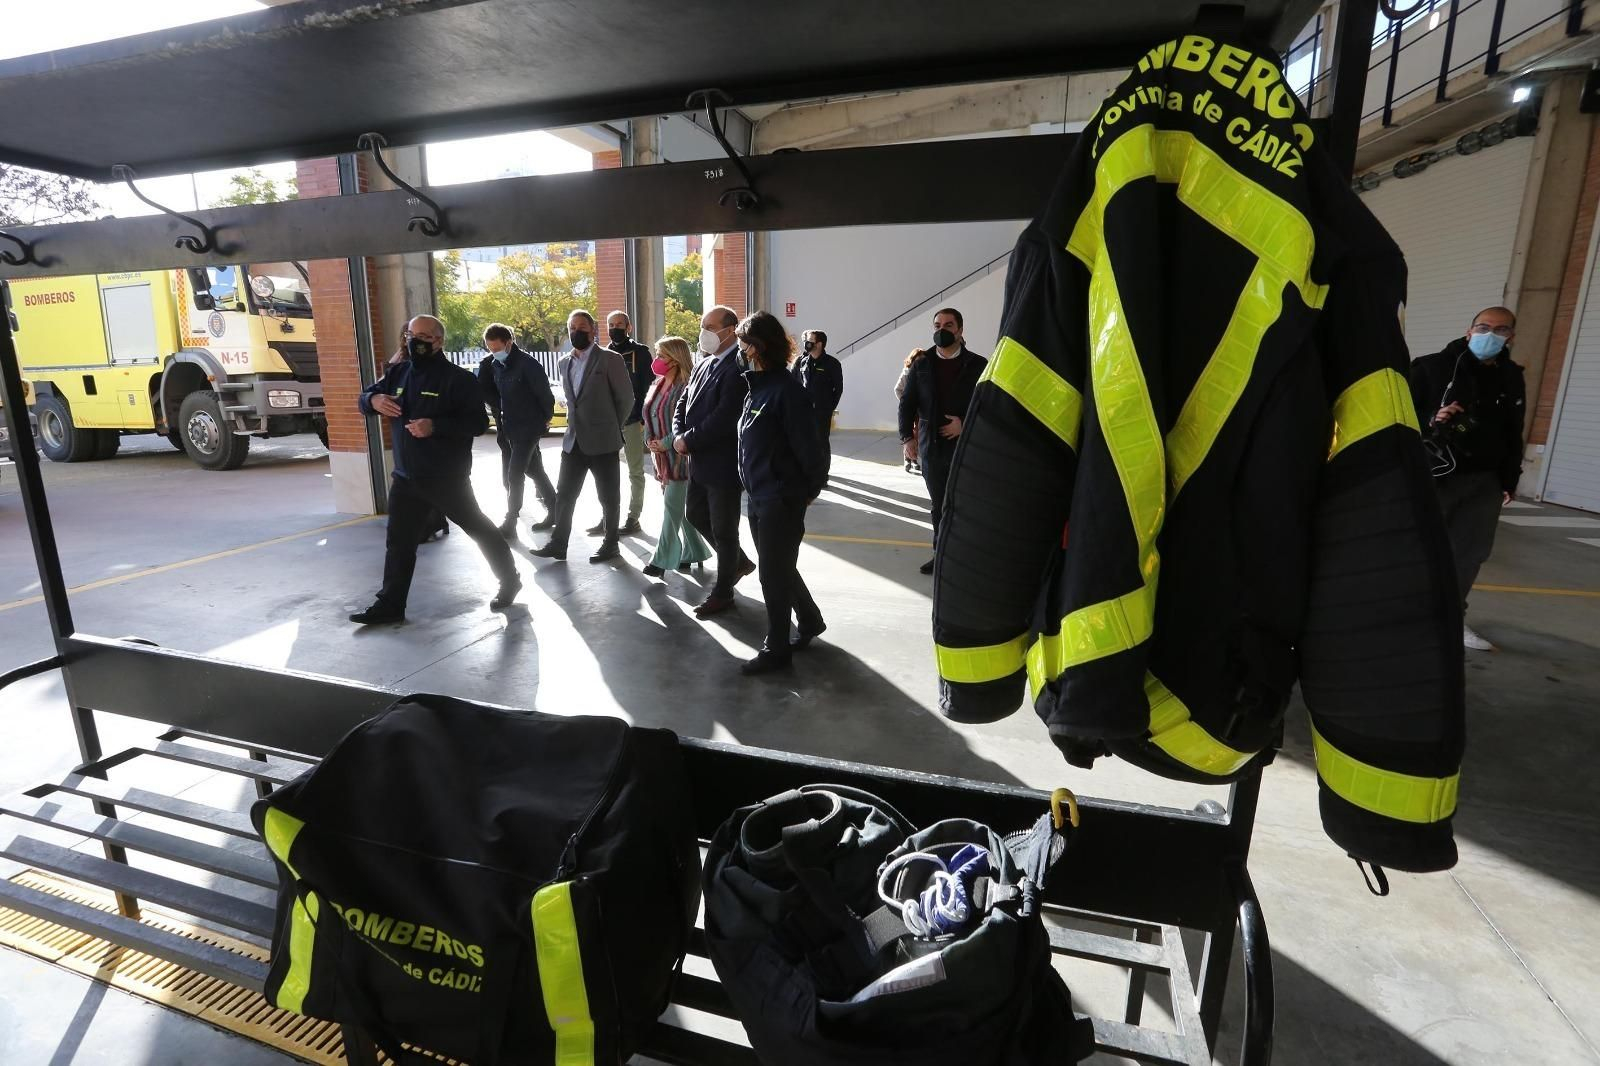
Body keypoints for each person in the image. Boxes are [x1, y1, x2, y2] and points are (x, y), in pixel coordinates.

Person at [350, 315, 520, 624]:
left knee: (479, 529)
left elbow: (478, 424)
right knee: (399, 543)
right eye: (411, 335)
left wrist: (435, 426)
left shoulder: (459, 379)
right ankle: (390, 605)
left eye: (424, 336)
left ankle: (510, 579)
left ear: (438, 341)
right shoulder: (398, 374)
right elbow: (363, 398)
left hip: (446, 479)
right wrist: (373, 399)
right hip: (406, 479)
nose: (415, 341)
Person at [1409, 305, 1527, 651]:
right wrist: (1433, 418)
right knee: (1419, 548)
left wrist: (1510, 478)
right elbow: (1399, 414)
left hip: (1484, 480)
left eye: (1501, 330)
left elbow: (1513, 430)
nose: (1491, 335)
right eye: (1484, 327)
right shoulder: (1432, 367)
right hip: (1436, 475)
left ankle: (1450, 620)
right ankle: (1400, 615)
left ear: (1512, 337)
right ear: (1468, 331)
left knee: (1470, 553)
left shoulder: (1511, 375)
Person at [736, 312, 828, 674]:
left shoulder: (786, 392)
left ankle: (776, 648)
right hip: (759, 495)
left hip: (780, 498)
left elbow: (813, 449)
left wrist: (807, 490)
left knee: (771, 575)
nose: (739, 350)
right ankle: (809, 619)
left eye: (744, 343)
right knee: (779, 567)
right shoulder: (757, 387)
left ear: (758, 348)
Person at [532, 310, 635, 564]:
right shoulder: (563, 362)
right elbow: (572, 401)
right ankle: (558, 544)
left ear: (593, 330)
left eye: (581, 327)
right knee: (565, 495)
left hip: (604, 441)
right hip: (573, 441)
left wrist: (611, 425)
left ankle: (611, 544)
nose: (576, 331)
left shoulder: (610, 359)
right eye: (572, 327)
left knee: (608, 497)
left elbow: (626, 399)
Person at [674, 305, 757, 618]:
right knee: (695, 514)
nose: (704, 332)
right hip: (699, 460)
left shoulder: (738, 367)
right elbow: (684, 400)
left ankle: (723, 593)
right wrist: (678, 432)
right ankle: (738, 561)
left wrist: (688, 440)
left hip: (722, 463)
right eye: (703, 325)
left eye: (711, 326)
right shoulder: (705, 362)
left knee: (724, 530)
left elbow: (724, 417)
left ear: (730, 330)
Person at [897, 308, 985, 575]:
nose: (941, 330)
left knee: (965, 503)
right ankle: (942, 555)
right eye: (937, 325)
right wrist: (907, 438)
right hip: (932, 448)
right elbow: (907, 403)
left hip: (966, 447)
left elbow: (987, 406)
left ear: (960, 329)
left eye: (948, 324)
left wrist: (963, 424)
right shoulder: (922, 364)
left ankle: (966, 556)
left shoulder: (978, 364)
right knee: (939, 505)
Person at [640, 336, 712, 578]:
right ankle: (694, 551)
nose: (657, 360)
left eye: (662, 355)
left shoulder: (688, 386)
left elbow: (688, 422)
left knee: (671, 509)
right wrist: (650, 440)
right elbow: (649, 414)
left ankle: (660, 560)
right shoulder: (658, 384)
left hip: (681, 458)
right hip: (661, 459)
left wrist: (667, 442)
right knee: (678, 511)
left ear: (675, 358)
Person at [477, 323, 557, 536]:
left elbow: (545, 395)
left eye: (497, 348)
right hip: (509, 426)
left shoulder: (528, 365)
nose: (494, 353)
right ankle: (556, 508)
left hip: (528, 427)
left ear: (509, 343)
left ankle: (510, 520)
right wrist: (501, 408)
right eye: (490, 349)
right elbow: (493, 393)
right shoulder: (495, 365)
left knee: (514, 473)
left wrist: (545, 418)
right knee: (534, 470)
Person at [585, 310, 654, 537]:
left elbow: (647, 387)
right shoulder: (601, 354)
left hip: (632, 420)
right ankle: (608, 518)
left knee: (635, 471)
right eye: (611, 324)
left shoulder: (641, 353)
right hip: (607, 423)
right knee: (606, 473)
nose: (615, 328)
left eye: (620, 324)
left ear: (629, 327)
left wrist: (644, 418)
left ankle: (633, 518)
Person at [793, 328, 844, 476]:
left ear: (820, 344)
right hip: (803, 410)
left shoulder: (832, 364)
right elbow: (793, 382)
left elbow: (838, 389)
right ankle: (807, 472)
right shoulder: (801, 361)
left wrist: (828, 408)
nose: (806, 344)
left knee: (821, 443)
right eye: (806, 341)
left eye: (810, 341)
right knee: (804, 442)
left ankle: (822, 475)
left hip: (821, 411)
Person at [893, 348, 922, 475]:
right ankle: (907, 459)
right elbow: (897, 389)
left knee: (917, 435)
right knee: (908, 435)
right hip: (909, 410)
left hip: (920, 409)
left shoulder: (925, 372)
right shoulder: (906, 373)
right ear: (913, 359)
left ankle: (914, 459)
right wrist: (905, 403)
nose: (920, 361)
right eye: (918, 359)